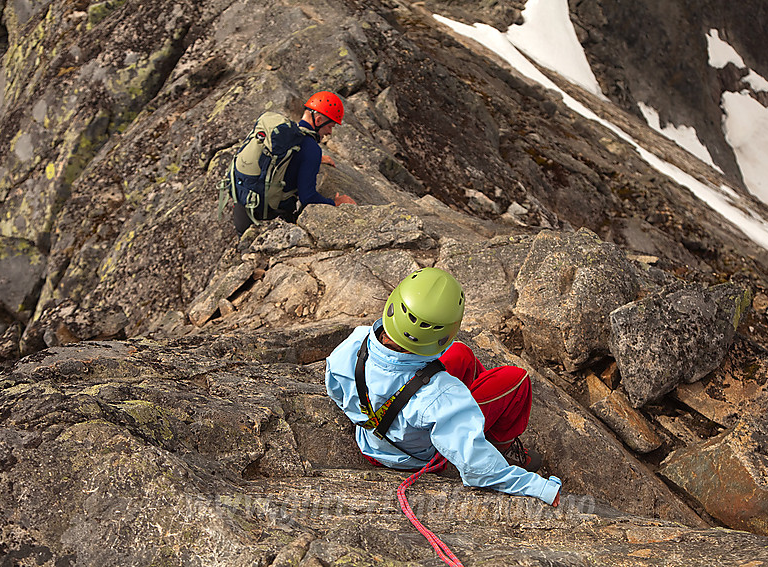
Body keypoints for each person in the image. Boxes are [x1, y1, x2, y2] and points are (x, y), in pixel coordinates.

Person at [325, 267, 562, 507]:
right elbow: (476, 466)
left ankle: (470, 419)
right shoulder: (441, 393)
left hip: (371, 439)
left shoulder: (356, 342)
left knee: (461, 354)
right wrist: (539, 488)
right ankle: (499, 447)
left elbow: (335, 389)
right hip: (418, 457)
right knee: (516, 380)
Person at [232, 91, 357, 237]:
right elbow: (308, 198)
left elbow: (292, 158)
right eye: (330, 126)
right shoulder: (311, 150)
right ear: (318, 120)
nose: (329, 132)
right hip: (266, 217)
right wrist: (336, 203)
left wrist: (317, 159)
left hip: (242, 207)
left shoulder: (286, 135)